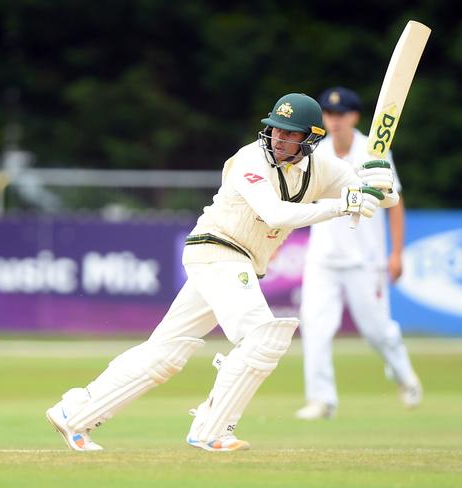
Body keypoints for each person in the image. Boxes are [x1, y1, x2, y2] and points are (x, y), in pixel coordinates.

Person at [46, 92, 398, 452]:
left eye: (290, 133)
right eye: (276, 129)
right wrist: (341, 206)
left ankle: (74, 413)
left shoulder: (321, 168)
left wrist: (378, 181)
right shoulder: (250, 159)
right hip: (216, 250)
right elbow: (276, 214)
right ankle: (212, 429)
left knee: (164, 354)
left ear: (309, 139)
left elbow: (382, 197)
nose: (279, 138)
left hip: (236, 262)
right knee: (264, 335)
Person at [295, 87, 422, 421]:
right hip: (323, 258)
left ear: (353, 117)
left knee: (377, 331)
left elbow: (395, 204)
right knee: (315, 327)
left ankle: (405, 376)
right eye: (328, 114)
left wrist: (396, 253)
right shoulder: (316, 152)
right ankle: (322, 400)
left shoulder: (374, 151)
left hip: (365, 260)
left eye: (340, 114)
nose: (333, 121)